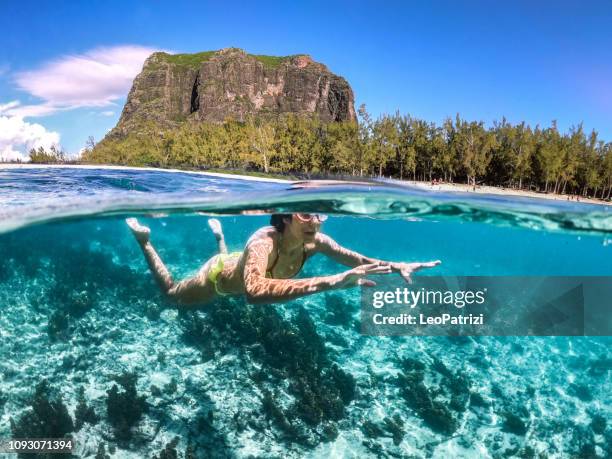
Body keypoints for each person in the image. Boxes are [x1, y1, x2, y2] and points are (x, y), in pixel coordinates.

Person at [126, 214, 441, 309]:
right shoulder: (263, 241)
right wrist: (331, 282)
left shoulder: (315, 241)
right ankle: (145, 242)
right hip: (219, 278)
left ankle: (220, 236)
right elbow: (253, 290)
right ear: (287, 217)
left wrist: (395, 265)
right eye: (306, 214)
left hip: (240, 261)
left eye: (320, 214)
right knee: (171, 295)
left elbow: (356, 259)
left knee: (231, 257)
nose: (316, 222)